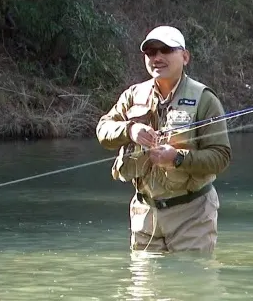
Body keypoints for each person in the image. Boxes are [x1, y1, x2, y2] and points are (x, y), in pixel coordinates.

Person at [96, 25, 232, 254]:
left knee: (189, 284)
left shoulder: (205, 99)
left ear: (185, 56)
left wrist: (178, 158)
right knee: (144, 289)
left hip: (192, 214)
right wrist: (130, 130)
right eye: (150, 52)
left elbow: (221, 157)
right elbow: (103, 130)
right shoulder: (133, 95)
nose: (157, 57)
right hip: (144, 215)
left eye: (166, 50)